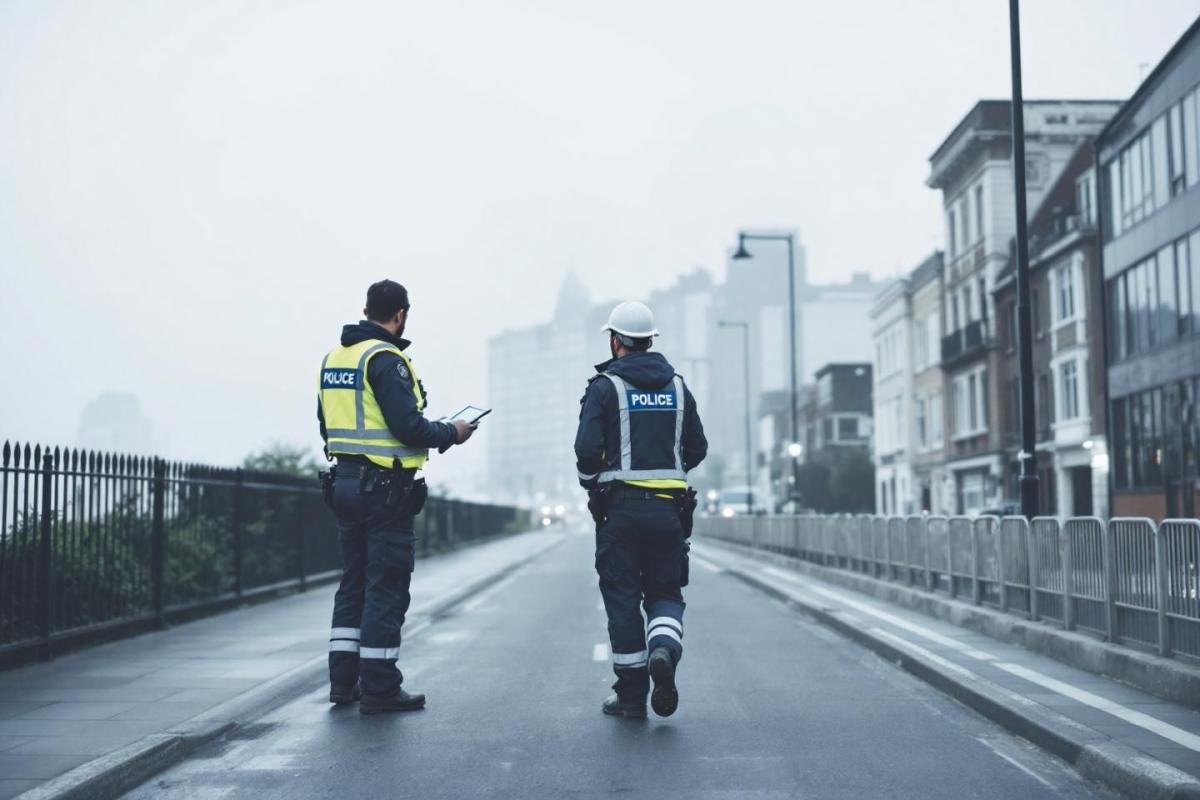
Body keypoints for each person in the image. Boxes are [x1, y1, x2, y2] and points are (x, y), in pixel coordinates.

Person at [318, 279, 476, 715]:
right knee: (385, 587)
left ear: (366, 308)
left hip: (345, 485)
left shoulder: (336, 357)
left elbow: (326, 425)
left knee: (352, 585)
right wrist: (453, 433)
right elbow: (409, 428)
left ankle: (343, 683)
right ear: (400, 314)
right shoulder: (386, 360)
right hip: (385, 492)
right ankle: (381, 687)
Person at [574, 300, 707, 718]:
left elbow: (585, 450)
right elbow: (697, 449)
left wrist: (592, 481)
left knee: (622, 598)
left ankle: (631, 696)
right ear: (650, 341)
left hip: (620, 513)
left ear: (615, 341)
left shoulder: (604, 388)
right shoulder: (678, 387)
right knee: (666, 593)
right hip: (669, 513)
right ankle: (663, 649)